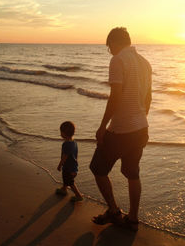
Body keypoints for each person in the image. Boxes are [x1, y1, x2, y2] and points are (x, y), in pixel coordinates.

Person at [89, 27, 152, 231]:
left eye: (109, 47)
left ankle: (114, 211)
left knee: (97, 168)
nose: (110, 51)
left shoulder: (118, 60)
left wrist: (102, 126)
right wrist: (140, 119)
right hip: (141, 128)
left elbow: (115, 96)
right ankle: (133, 219)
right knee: (132, 173)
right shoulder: (145, 63)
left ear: (114, 43)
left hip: (120, 130)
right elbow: (148, 98)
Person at [56, 121, 83, 202]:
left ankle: (78, 196)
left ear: (64, 133)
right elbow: (75, 154)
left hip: (68, 168)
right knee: (66, 179)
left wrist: (60, 165)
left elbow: (65, 156)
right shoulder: (74, 142)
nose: (60, 134)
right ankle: (64, 189)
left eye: (61, 132)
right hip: (73, 166)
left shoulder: (66, 144)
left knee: (71, 182)